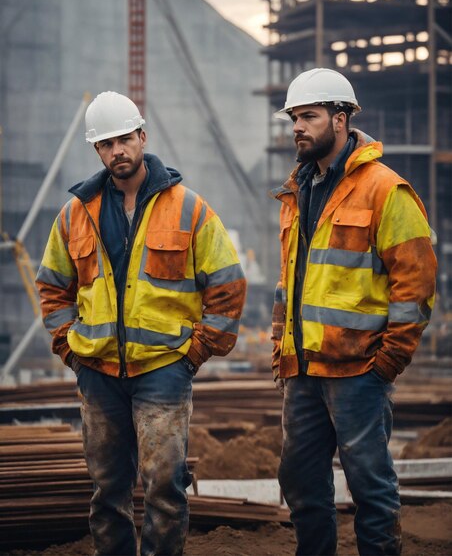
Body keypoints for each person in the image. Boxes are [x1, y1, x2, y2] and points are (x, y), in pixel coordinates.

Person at [36, 91, 247, 556]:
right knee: (107, 491)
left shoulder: (188, 208)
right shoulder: (76, 214)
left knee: (164, 488)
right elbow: (52, 286)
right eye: (107, 144)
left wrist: (198, 350)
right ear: (97, 150)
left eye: (125, 139)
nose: (118, 151)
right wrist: (68, 347)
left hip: (164, 371)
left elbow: (229, 285)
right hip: (98, 372)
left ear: (142, 136)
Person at [270, 68, 437, 556]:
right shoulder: (297, 190)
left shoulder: (386, 190)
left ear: (341, 119)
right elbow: (291, 280)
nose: (297, 126)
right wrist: (282, 346)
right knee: (300, 483)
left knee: (370, 487)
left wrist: (388, 361)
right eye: (294, 118)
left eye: (309, 116)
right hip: (302, 370)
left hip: (359, 371)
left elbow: (417, 283)